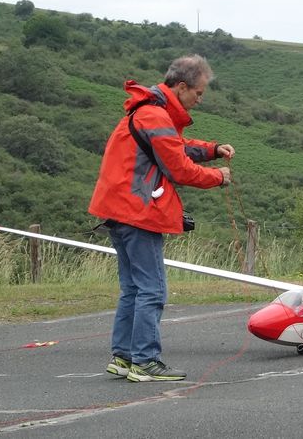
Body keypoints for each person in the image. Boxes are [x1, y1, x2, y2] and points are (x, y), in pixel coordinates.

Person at [89, 54, 234, 382]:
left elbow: (175, 146)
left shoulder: (149, 112)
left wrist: (211, 150)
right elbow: (179, 168)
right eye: (198, 93)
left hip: (119, 210)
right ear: (181, 87)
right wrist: (218, 176)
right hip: (137, 212)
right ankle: (145, 361)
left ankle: (123, 357)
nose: (200, 99)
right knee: (152, 289)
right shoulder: (155, 116)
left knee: (132, 288)